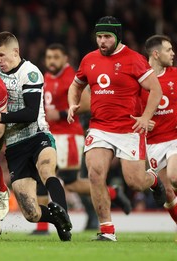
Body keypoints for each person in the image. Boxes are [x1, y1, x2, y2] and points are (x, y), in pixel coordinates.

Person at [67, 16, 166, 241]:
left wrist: (146, 116)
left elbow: (156, 90)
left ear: (117, 36)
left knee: (135, 182)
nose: (102, 41)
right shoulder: (89, 59)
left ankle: (154, 179)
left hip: (129, 128)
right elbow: (76, 85)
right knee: (94, 174)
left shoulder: (134, 59)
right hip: (100, 127)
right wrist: (73, 103)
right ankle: (107, 230)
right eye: (99, 36)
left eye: (107, 37)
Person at [33, 43, 132, 234]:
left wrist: (61, 114)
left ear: (65, 59)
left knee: (69, 181)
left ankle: (112, 193)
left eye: (56, 57)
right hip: (51, 135)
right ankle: (42, 227)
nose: (51, 61)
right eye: (49, 57)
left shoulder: (71, 76)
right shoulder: (46, 77)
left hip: (69, 136)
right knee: (43, 176)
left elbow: (88, 103)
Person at [0, 32, 73, 241]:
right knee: (31, 213)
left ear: (16, 51)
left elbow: (31, 113)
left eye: (2, 55)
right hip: (14, 146)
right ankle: (57, 220)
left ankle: (64, 214)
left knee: (46, 170)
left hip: (37, 135)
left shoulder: (30, 72)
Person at [142, 35, 177, 225]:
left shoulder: (175, 75)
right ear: (156, 54)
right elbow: (130, 110)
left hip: (174, 137)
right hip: (153, 142)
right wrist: (142, 120)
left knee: (174, 176)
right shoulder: (140, 79)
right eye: (168, 50)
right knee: (168, 193)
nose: (172, 53)